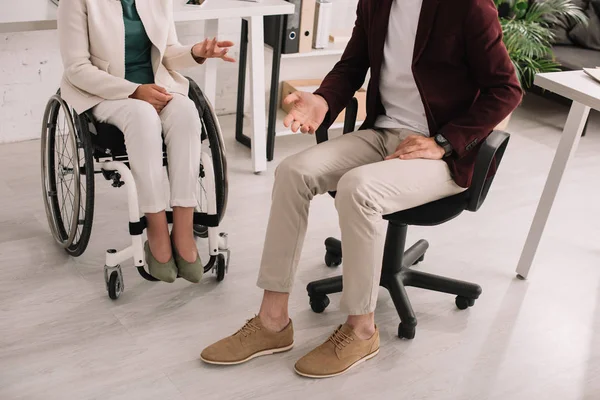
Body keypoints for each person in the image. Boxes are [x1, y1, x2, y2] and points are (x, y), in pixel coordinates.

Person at [201, 0, 522, 378]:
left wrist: (444, 141)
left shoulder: (468, 6)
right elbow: (352, 66)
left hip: (440, 154)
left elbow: (506, 89)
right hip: (383, 132)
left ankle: (362, 329)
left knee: (358, 188)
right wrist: (321, 101)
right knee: (292, 172)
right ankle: (272, 322)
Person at [57, 0, 234, 283]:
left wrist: (195, 52)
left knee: (187, 110)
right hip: (107, 94)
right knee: (142, 116)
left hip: (156, 87)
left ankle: (184, 227)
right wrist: (134, 90)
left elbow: (167, 53)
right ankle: (156, 227)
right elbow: (76, 68)